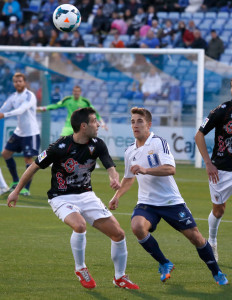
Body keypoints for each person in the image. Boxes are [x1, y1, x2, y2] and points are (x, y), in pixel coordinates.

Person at [7, 107, 140, 290]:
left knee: (118, 234)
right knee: (79, 225)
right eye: (94, 121)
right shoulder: (60, 146)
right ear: (83, 126)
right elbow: (34, 166)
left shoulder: (98, 144)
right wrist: (16, 190)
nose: (98, 124)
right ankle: (80, 268)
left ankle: (120, 277)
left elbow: (109, 165)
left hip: (86, 195)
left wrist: (113, 178)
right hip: (61, 197)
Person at [109, 107, 228, 285]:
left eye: (139, 121)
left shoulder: (158, 142)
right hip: (147, 202)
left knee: (196, 238)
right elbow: (128, 178)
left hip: (171, 202)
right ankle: (164, 263)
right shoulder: (129, 152)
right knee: (137, 227)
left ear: (149, 124)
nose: (135, 125)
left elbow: (170, 169)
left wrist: (146, 170)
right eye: (132, 122)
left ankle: (216, 272)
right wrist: (117, 196)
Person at [195, 80, 232, 262]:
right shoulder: (221, 110)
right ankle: (212, 240)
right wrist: (208, 163)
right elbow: (199, 135)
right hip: (222, 170)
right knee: (218, 211)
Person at [0, 72, 40, 196]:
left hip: (31, 133)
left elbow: (21, 110)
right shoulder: (13, 96)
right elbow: (3, 109)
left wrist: (4, 115)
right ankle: (16, 181)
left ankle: (25, 189)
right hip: (19, 132)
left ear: (25, 82)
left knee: (28, 160)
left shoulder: (30, 95)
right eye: (15, 82)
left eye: (20, 81)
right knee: (5, 154)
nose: (18, 84)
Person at [37, 85, 107, 136]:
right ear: (73, 92)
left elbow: (93, 111)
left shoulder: (85, 102)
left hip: (81, 126)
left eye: (77, 91)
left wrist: (101, 121)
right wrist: (44, 108)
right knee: (61, 142)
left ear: (80, 92)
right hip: (69, 125)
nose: (76, 93)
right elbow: (56, 105)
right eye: (74, 91)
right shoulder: (68, 100)